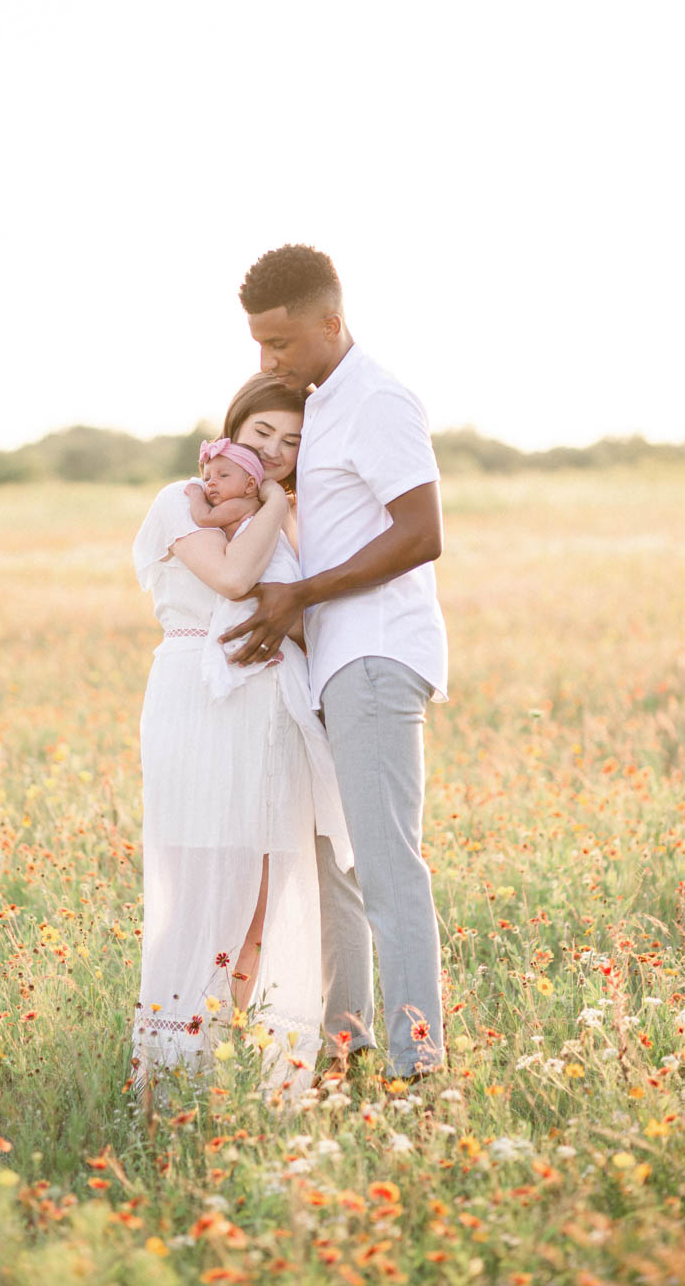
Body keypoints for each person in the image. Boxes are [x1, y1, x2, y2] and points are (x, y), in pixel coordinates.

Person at [221, 244, 449, 1082]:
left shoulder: (379, 400)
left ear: (330, 321)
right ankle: (346, 1045)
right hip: (329, 663)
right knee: (337, 868)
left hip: (377, 654)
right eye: (259, 346)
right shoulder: (322, 410)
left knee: (387, 863)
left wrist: (301, 595)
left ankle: (418, 1061)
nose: (267, 362)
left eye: (279, 345)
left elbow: (421, 535)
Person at [130, 376, 352, 1096]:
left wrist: (280, 511)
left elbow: (306, 618)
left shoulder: (294, 522)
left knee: (260, 891)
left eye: (294, 442)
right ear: (233, 431)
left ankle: (233, 1058)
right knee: (198, 881)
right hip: (196, 700)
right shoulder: (182, 500)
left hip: (269, 715)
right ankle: (170, 1061)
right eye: (263, 436)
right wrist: (276, 502)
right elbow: (230, 580)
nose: (278, 451)